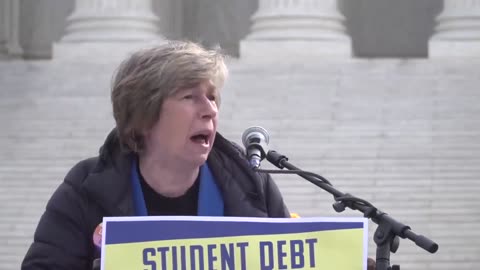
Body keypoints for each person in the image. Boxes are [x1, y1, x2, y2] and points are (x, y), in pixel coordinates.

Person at [21, 40, 290, 270]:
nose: (210, 109)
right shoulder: (85, 187)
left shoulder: (252, 184)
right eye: (189, 97)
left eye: (212, 97)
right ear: (144, 116)